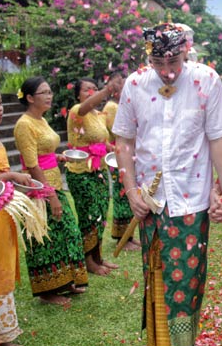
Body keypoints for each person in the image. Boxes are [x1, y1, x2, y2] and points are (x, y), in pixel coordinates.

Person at [112, 22, 222, 346]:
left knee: (187, 273)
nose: (166, 72)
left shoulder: (207, 80)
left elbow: (218, 138)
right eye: (158, 63)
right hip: (151, 199)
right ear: (147, 57)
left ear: (187, 51)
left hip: (191, 197)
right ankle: (162, 344)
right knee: (156, 270)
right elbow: (124, 141)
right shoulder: (135, 84)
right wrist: (131, 189)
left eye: (174, 62)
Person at [14, 77, 88, 305]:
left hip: (54, 182)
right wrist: (51, 196)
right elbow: (32, 164)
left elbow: (42, 153)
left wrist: (56, 157)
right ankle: (48, 290)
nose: (49, 96)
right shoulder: (23, 124)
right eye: (43, 93)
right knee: (46, 238)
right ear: (29, 98)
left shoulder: (41, 120)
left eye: (49, 92)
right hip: (39, 190)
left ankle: (67, 281)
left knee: (68, 232)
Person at [0, 83, 31, 346]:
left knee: (2, 266)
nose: (0, 108)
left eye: (0, 102)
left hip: (0, 212)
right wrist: (11, 176)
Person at [66, 76, 122, 276]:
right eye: (86, 90)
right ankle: (88, 260)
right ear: (78, 94)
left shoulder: (99, 114)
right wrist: (107, 90)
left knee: (100, 213)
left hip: (98, 171)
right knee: (88, 215)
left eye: (94, 88)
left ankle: (97, 257)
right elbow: (85, 107)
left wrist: (115, 150)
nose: (91, 92)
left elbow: (103, 140)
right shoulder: (76, 111)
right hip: (81, 173)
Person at [102, 73, 140, 251]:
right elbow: (119, 134)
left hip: (128, 156)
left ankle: (128, 237)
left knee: (127, 197)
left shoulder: (121, 105)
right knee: (122, 196)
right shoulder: (111, 107)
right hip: (117, 158)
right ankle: (121, 238)